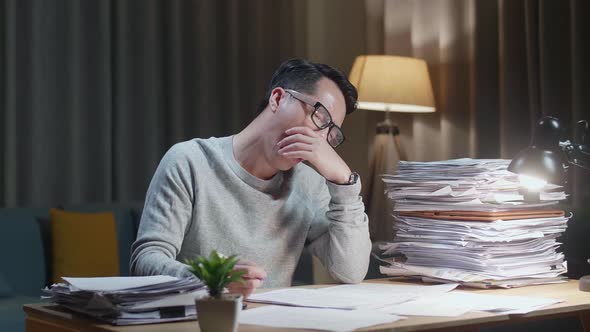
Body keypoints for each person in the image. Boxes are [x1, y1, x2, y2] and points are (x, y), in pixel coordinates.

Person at [130, 58, 371, 298]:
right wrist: (214, 278)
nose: (322, 140)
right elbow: (146, 261)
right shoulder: (190, 161)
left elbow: (350, 272)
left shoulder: (309, 184)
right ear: (278, 99)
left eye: (332, 133)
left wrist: (344, 182)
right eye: (320, 117)